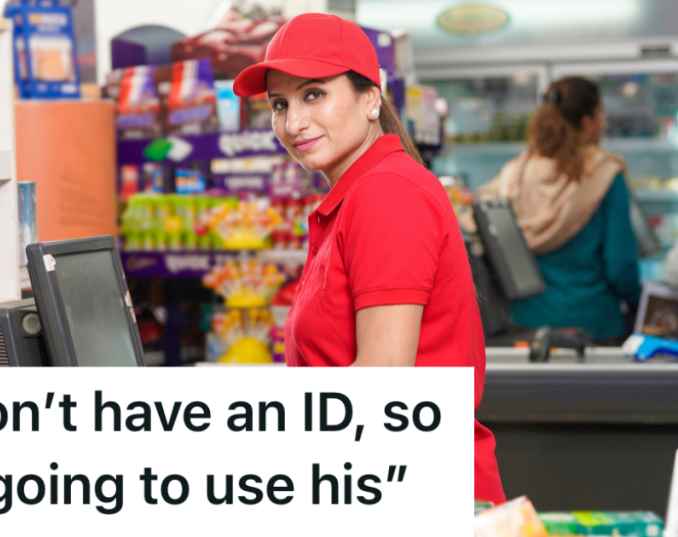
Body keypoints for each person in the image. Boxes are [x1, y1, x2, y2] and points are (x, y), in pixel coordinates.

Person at [232, 13, 505, 503]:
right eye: (280, 104)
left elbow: (382, 390)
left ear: (370, 97)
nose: (293, 123)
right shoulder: (360, 195)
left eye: (314, 94)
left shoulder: (387, 194)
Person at [476, 77, 641, 344]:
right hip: (594, 325)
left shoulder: (514, 173)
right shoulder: (605, 175)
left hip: (527, 325)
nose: (603, 123)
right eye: (601, 115)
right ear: (587, 121)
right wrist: (639, 304)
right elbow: (620, 265)